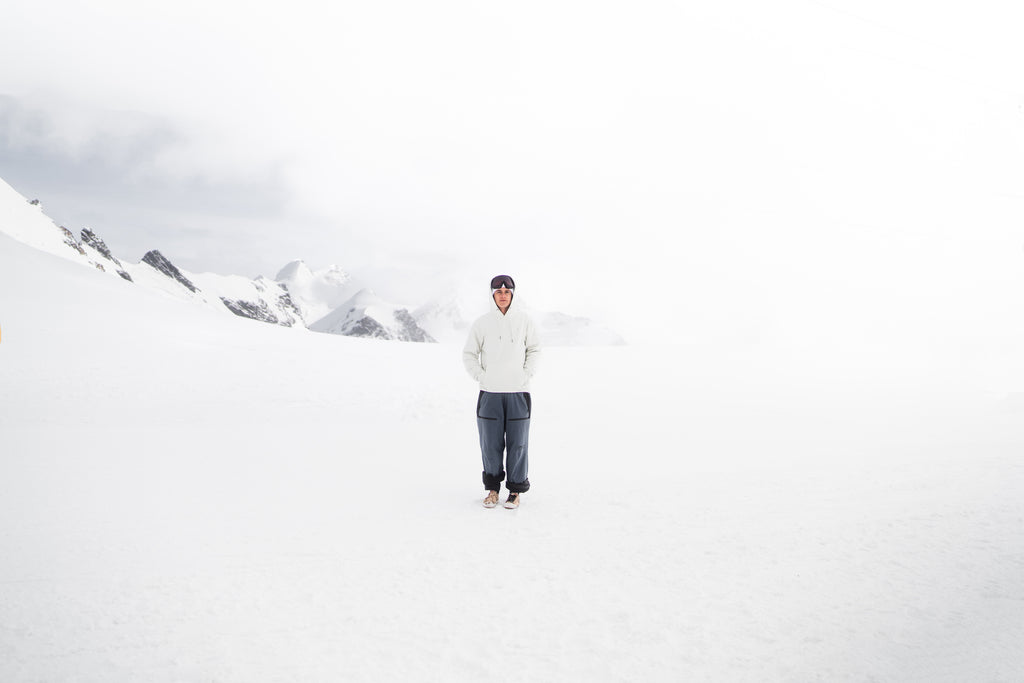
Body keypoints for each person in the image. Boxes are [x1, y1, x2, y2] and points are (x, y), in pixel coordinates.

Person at [462, 274, 541, 509]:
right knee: (490, 444)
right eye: (499, 292)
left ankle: (515, 491)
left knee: (518, 444)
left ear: (513, 295)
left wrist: (525, 374)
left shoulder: (524, 321)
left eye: (507, 292)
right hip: (490, 393)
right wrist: (481, 376)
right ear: (492, 295)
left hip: (518, 392)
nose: (503, 296)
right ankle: (493, 490)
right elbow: (469, 354)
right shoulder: (482, 323)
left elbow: (534, 349)